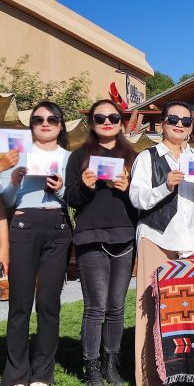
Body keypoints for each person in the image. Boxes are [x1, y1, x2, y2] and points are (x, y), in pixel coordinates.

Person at [129, 100, 194, 386]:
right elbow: (137, 199)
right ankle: (150, 377)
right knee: (151, 310)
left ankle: (187, 374)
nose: (179, 125)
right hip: (156, 238)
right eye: (173, 119)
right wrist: (166, 186)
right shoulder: (147, 157)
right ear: (162, 123)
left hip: (189, 242)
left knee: (187, 311)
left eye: (185, 121)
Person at [64, 99, 137, 386]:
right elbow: (71, 199)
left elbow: (142, 202)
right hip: (91, 236)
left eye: (113, 118)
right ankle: (91, 367)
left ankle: (111, 364)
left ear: (121, 123)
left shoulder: (133, 157)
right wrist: (85, 186)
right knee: (95, 306)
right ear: (92, 123)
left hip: (124, 237)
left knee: (116, 306)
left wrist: (128, 189)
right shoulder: (79, 156)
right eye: (100, 118)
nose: (107, 122)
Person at [1, 101, 71, 386]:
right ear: (31, 125)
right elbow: (6, 201)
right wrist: (14, 181)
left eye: (52, 119)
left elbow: (76, 199)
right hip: (23, 225)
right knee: (20, 302)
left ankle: (43, 374)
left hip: (57, 226)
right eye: (38, 119)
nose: (45, 123)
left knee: (48, 303)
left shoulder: (69, 158)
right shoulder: (17, 154)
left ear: (60, 125)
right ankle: (16, 373)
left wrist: (61, 188)